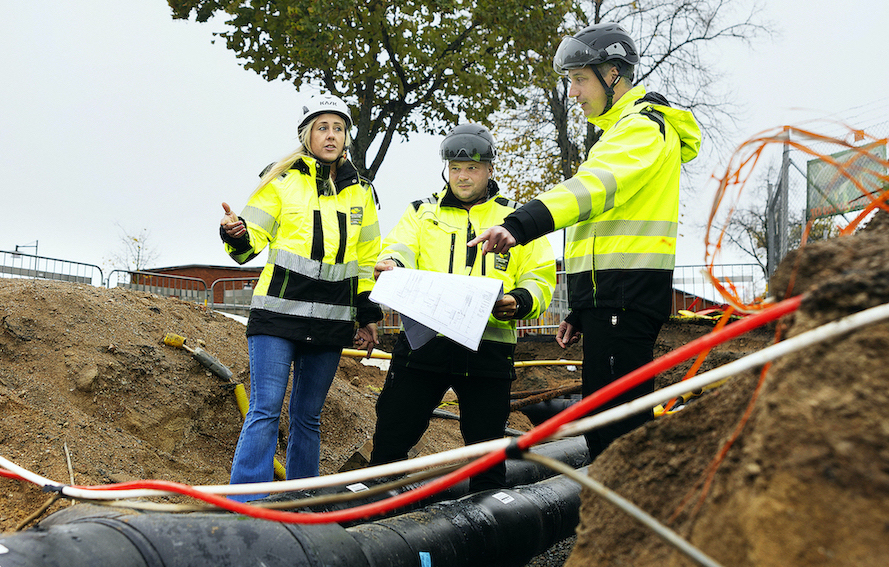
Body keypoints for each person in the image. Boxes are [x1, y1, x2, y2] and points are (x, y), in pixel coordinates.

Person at [468, 23, 702, 460]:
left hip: (625, 299)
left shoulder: (643, 128)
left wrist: (519, 225)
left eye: (579, 79)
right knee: (605, 428)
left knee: (616, 434)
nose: (573, 93)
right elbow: (600, 231)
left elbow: (590, 190)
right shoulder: (619, 132)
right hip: (610, 302)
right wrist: (583, 306)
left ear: (613, 74)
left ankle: (625, 522)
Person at [369, 124, 556, 491]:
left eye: (471, 167)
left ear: (489, 170)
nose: (463, 176)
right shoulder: (421, 212)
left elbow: (541, 278)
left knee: (487, 452)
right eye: (455, 168)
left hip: (488, 348)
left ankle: (490, 529)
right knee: (392, 433)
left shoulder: (516, 221)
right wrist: (391, 264)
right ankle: (371, 515)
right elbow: (399, 248)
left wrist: (518, 302)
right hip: (425, 345)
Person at [219, 94, 382, 501]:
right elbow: (250, 241)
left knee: (308, 418)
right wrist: (234, 233)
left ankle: (303, 504)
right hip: (276, 316)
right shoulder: (281, 181)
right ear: (306, 135)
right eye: (322, 127)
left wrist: (368, 314)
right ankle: (245, 503)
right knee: (265, 409)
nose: (331, 135)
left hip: (330, 321)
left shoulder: (362, 192)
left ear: (347, 137)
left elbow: (366, 259)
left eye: (338, 128)